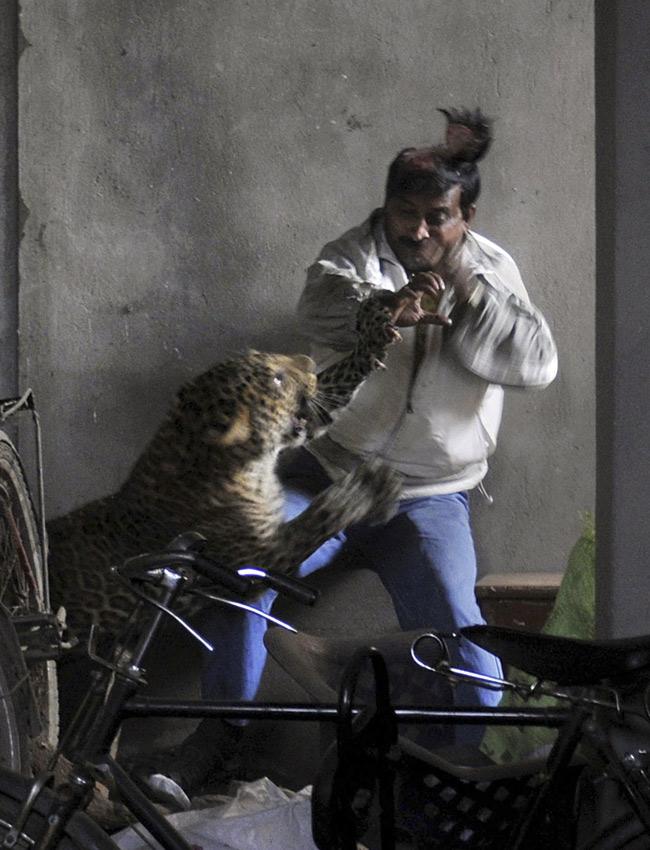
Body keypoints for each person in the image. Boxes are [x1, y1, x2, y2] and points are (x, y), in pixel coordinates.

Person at [142, 108, 558, 804]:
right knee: (239, 567)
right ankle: (222, 739)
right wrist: (387, 308)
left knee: (471, 651)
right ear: (384, 206)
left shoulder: (492, 270)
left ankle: (452, 781)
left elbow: (535, 362)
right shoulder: (348, 257)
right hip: (330, 478)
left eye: (437, 217)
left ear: (467, 215)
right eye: (404, 213)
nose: (418, 230)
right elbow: (323, 307)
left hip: (432, 498)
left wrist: (461, 283)